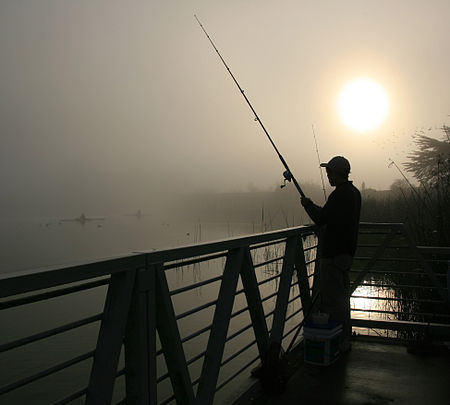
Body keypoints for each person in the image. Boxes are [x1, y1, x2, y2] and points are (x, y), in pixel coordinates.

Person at [301, 156, 361, 352]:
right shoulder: (354, 193)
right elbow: (333, 218)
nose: (328, 176)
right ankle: (344, 338)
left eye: (329, 172)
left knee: (334, 302)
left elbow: (321, 218)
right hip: (346, 255)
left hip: (334, 256)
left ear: (337, 173)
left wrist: (308, 205)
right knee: (342, 300)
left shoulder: (339, 195)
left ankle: (339, 342)